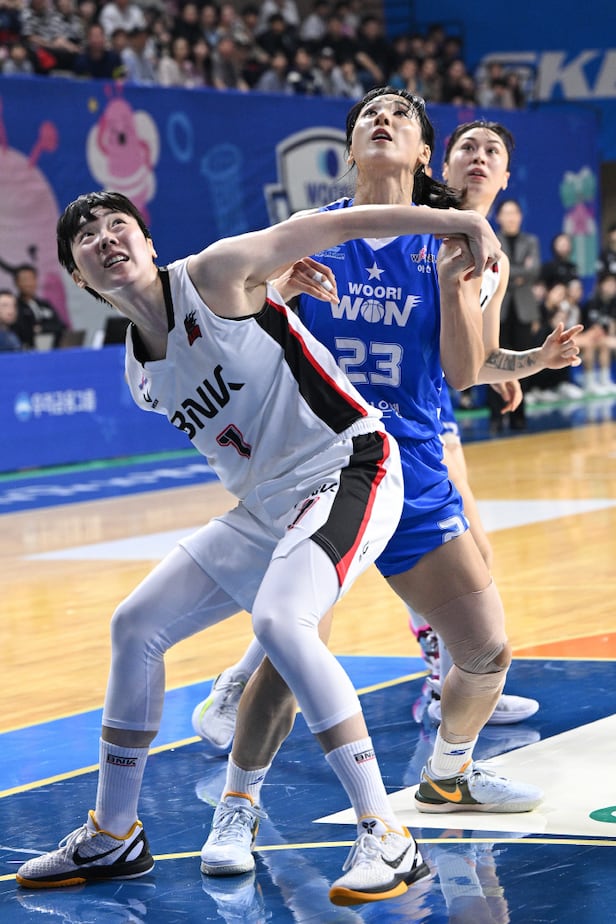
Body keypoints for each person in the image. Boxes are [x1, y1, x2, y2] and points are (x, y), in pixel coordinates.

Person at [15, 187, 504, 904]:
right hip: (270, 506)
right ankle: (114, 832)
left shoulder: (215, 272)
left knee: (280, 621)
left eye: (119, 224)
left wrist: (458, 219)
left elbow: (340, 224)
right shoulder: (139, 373)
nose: (106, 237)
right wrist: (274, 294)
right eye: (87, 236)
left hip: (351, 464)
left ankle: (388, 836)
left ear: (149, 243)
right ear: (78, 276)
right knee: (135, 624)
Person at [194, 90, 544, 902]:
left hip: (411, 465)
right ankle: (237, 808)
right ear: (350, 148)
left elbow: (462, 372)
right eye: (368, 116)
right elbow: (235, 334)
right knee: (291, 654)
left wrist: (458, 287)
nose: (382, 121)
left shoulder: (449, 247)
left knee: (487, 653)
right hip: (324, 467)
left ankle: (449, 772)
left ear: (424, 154)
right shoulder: (306, 234)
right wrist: (276, 296)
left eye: (401, 116)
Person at [409, 120, 583, 722]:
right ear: (442, 165)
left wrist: (534, 360)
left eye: (493, 152)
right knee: (342, 561)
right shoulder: (415, 225)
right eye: (468, 148)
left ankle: (450, 680)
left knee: (469, 556)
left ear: (506, 177)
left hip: (433, 408)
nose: (479, 158)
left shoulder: (497, 262)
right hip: (386, 406)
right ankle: (241, 681)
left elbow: (478, 358)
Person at [490, 197, 542, 430]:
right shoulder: (492, 239)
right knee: (495, 362)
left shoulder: (531, 241)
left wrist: (507, 273)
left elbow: (534, 271)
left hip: (524, 310)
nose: (511, 218)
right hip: (497, 311)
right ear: (499, 217)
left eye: (515, 213)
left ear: (520, 217)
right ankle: (496, 416)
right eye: (506, 213)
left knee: (523, 363)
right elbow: (491, 269)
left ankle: (519, 415)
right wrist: (519, 274)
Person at [12, 263, 67, 348]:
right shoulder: (14, 306)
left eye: (32, 279)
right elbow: (22, 330)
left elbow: (60, 326)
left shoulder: (45, 304)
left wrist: (41, 328)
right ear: (16, 282)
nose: (29, 283)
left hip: (53, 349)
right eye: (24, 280)